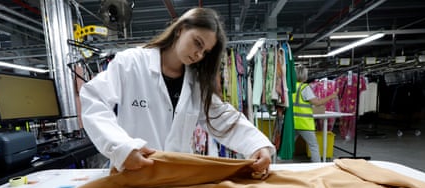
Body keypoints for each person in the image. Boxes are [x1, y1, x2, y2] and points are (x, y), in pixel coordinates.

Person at [79, 7, 274, 176]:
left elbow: (222, 118)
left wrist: (257, 145)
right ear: (181, 29)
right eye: (197, 42)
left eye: (205, 52)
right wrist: (122, 148)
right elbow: (93, 99)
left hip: (175, 178)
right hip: (133, 176)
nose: (199, 54)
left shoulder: (196, 83)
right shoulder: (131, 63)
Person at [293, 65, 338, 162]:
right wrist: (331, 96)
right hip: (304, 123)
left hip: (292, 122)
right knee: (313, 146)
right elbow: (317, 103)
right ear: (304, 75)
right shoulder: (304, 88)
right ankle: (317, 166)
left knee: (287, 145)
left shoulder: (291, 86)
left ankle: (277, 164)